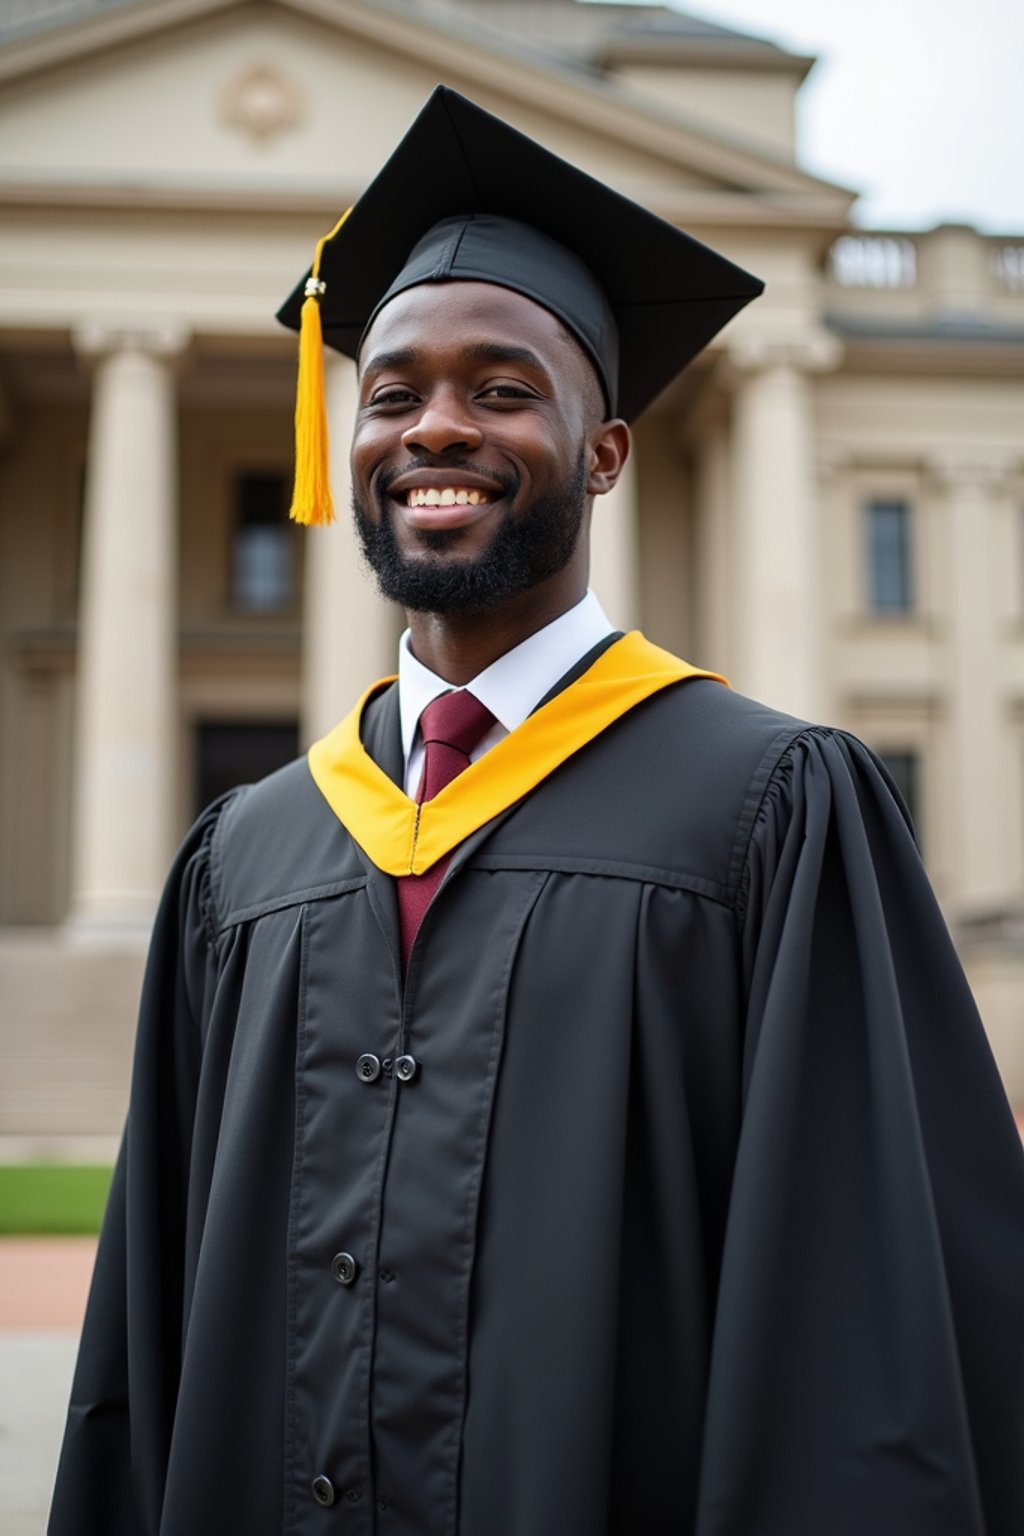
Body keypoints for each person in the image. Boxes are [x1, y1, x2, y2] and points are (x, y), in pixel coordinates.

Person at [51, 87, 1024, 1536]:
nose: (434, 426)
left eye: (502, 390)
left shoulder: (768, 811)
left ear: (607, 451)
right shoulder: (244, 857)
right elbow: (150, 1344)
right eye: (390, 394)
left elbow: (865, 1337)